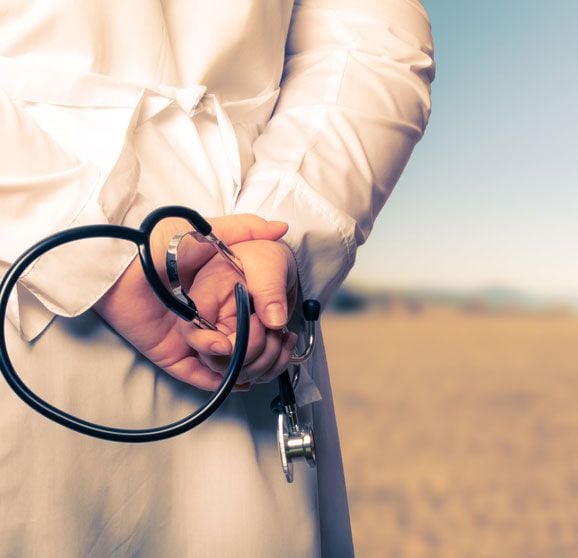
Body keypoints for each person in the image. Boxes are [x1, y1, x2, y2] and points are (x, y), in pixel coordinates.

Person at [0, 1, 434, 556]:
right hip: (39, 283)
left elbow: (373, 36)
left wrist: (277, 237)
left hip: (237, 286)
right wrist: (87, 237)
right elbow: (374, 42)